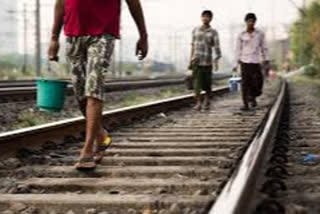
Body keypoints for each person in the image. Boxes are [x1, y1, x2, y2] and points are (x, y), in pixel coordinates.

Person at [48, 0, 148, 170]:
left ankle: (87, 152)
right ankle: (101, 136)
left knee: (93, 89)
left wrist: (143, 36)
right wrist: (54, 38)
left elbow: (134, 3)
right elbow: (60, 3)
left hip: (103, 34)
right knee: (80, 93)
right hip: (73, 34)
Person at [234, 13, 269, 111]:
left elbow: (264, 47)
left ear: (255, 22)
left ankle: (253, 96)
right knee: (245, 83)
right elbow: (238, 49)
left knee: (258, 81)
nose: (251, 23)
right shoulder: (241, 34)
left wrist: (266, 59)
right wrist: (236, 62)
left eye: (252, 21)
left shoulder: (260, 34)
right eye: (249, 21)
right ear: (246, 22)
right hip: (244, 61)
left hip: (255, 60)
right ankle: (245, 104)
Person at [189, 10, 222, 111]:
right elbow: (192, 45)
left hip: (207, 61)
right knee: (196, 84)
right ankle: (199, 103)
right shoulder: (195, 30)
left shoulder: (213, 32)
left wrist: (217, 59)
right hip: (196, 61)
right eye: (204, 16)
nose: (205, 18)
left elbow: (216, 46)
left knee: (207, 84)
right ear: (201, 18)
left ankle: (207, 101)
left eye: (208, 17)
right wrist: (190, 59)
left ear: (211, 19)